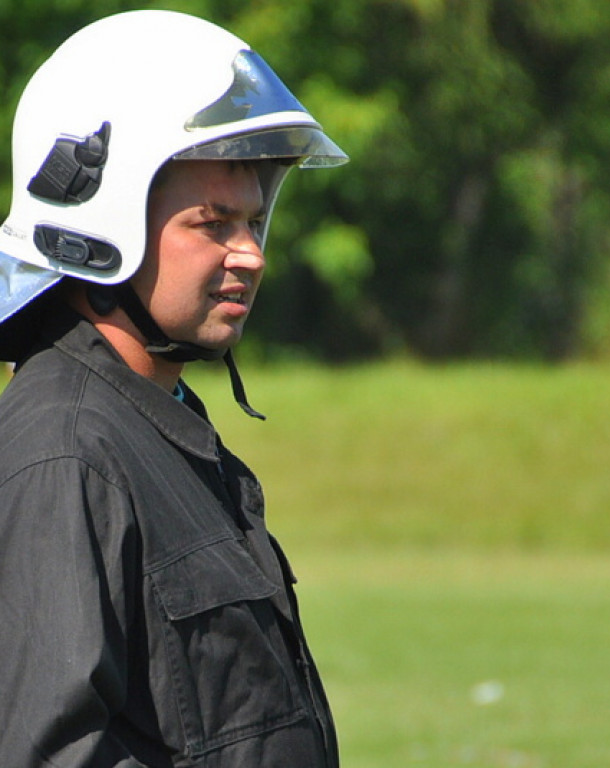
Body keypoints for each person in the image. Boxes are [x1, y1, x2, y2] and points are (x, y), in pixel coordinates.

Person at [0, 10, 347, 767]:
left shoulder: (156, 423)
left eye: (254, 222)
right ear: (101, 223)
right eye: (213, 222)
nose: (250, 255)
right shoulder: (67, 452)